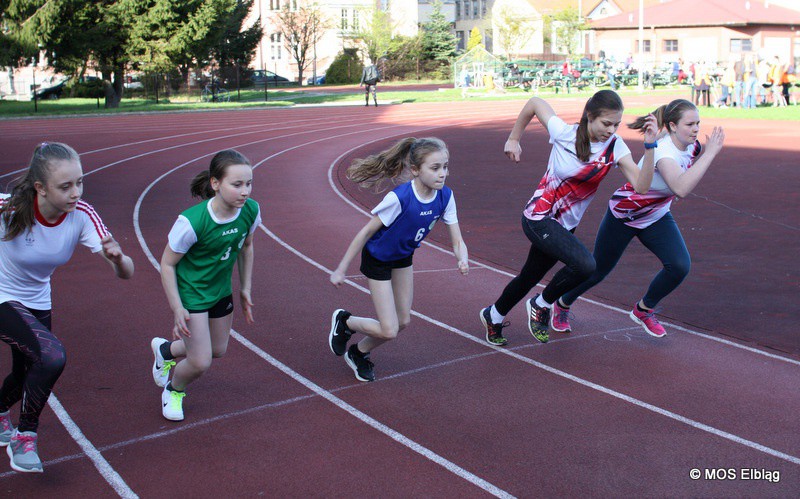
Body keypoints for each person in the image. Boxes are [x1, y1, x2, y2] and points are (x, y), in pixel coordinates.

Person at [478, 90, 657, 345]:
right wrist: (513, 138)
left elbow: (641, 186)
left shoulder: (615, 146)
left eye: (616, 124)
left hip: (564, 227)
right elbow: (535, 102)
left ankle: (493, 315)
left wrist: (650, 147)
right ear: (590, 117)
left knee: (529, 276)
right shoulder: (564, 133)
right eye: (606, 123)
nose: (611, 130)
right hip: (539, 217)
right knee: (586, 266)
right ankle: (542, 304)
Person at [0, 142, 134, 472]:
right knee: (52, 356)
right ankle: (24, 435)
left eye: (80, 182)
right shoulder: (9, 209)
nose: (76, 193)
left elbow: (127, 273)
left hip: (37, 299)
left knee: (26, 372)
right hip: (2, 295)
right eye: (65, 186)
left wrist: (118, 259)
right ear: (40, 188)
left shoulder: (82, 215)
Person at [549, 99, 725, 337]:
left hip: (655, 216)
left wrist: (703, 152)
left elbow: (683, 171)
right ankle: (562, 303)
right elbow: (681, 188)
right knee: (598, 270)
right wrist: (711, 153)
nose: (696, 129)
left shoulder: (691, 146)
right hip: (624, 215)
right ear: (673, 126)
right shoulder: (664, 153)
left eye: (698, 123)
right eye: (690, 124)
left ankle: (644, 309)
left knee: (679, 266)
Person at [329, 137, 469, 381]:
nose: (442, 174)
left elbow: (457, 240)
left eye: (445, 167)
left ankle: (358, 352)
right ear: (415, 170)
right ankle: (345, 322)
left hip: (403, 257)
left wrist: (462, 259)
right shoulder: (400, 198)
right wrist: (341, 268)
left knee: (403, 321)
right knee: (389, 329)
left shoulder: (445, 197)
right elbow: (366, 232)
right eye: (435, 168)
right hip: (378, 259)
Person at [150, 150, 260, 421]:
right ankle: (174, 390)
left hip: (220, 291)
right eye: (237, 184)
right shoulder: (192, 222)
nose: (245, 191)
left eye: (249, 183)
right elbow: (167, 264)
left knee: (217, 349)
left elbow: (247, 246)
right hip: (192, 295)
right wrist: (177, 307)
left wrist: (245, 288)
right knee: (200, 361)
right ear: (215, 183)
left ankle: (166, 350)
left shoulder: (250, 211)